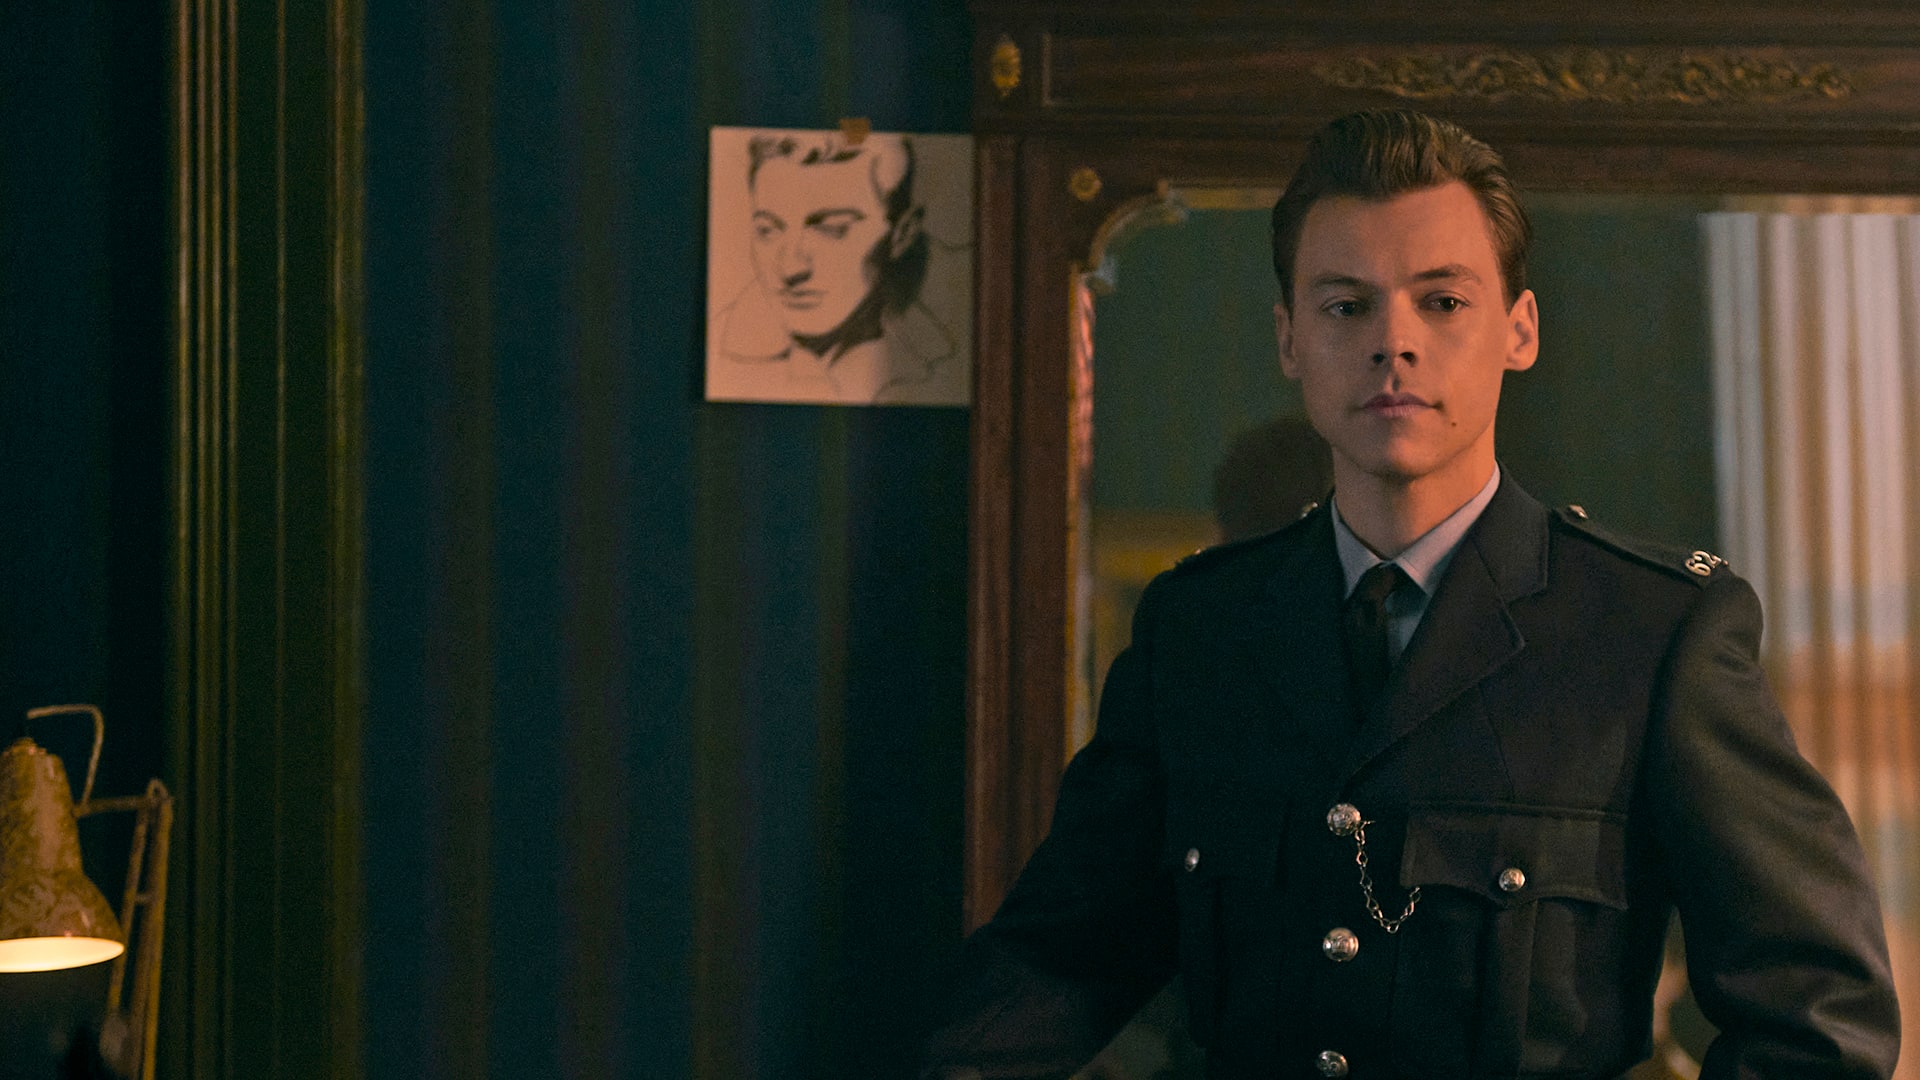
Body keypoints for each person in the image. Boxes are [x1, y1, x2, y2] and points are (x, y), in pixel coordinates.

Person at [920, 109, 1900, 1080]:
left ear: (1519, 329)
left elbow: (1820, 1023)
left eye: (1442, 301)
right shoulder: (1201, 632)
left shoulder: (1648, 632)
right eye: (1346, 306)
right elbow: (1055, 966)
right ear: (1289, 339)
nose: (1394, 342)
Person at [707, 130, 966, 406]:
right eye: (767, 230)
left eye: (832, 229)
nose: (792, 268)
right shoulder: (717, 346)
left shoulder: (949, 356)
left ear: (902, 234)